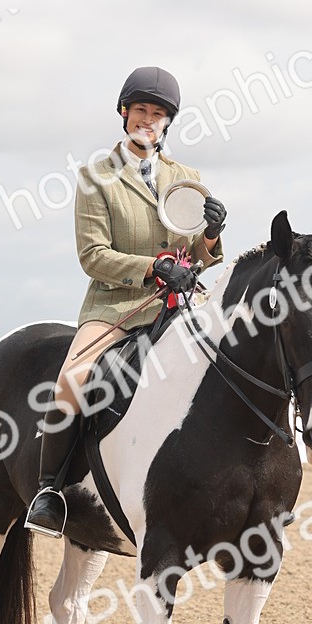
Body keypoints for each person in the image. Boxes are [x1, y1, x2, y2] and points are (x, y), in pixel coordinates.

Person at [25, 65, 227, 536]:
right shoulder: (96, 177)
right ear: (124, 113)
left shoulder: (186, 176)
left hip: (178, 308)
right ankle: (50, 490)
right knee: (73, 380)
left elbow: (195, 257)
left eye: (158, 114)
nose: (148, 120)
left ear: (167, 123)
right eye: (141, 110)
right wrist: (151, 267)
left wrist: (212, 236)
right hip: (116, 309)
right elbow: (93, 256)